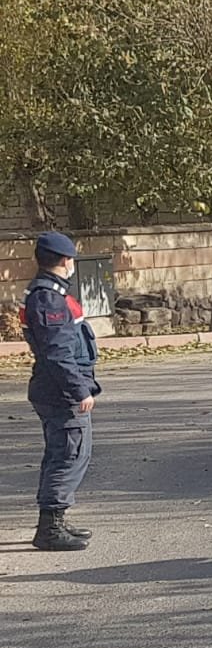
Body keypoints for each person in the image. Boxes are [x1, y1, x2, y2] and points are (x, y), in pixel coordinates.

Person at [22, 232, 100, 552]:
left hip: (57, 387)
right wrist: (79, 389)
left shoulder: (48, 294)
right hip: (61, 391)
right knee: (68, 454)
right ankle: (50, 528)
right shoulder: (48, 298)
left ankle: (57, 519)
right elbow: (57, 352)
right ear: (66, 260)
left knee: (66, 452)